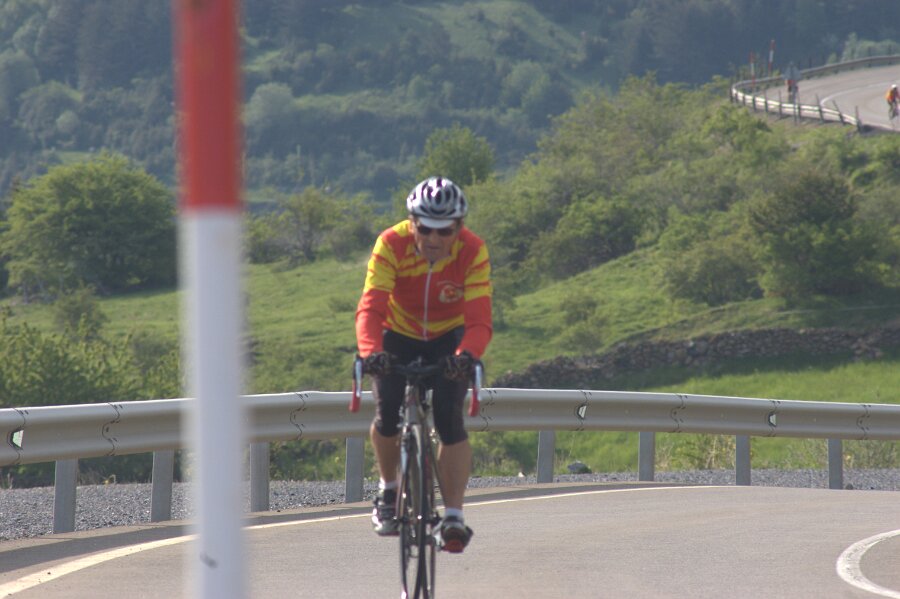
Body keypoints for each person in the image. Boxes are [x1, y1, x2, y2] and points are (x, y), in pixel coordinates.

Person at [355, 176, 492, 553]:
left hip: (449, 338)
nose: (433, 238)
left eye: (444, 230)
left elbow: (479, 320)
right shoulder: (391, 243)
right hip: (397, 334)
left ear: (458, 228)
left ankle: (454, 516)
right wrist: (370, 351)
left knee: (449, 418)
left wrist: (466, 356)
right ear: (411, 223)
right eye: (425, 228)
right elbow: (371, 308)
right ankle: (388, 491)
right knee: (387, 412)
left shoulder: (472, 251)